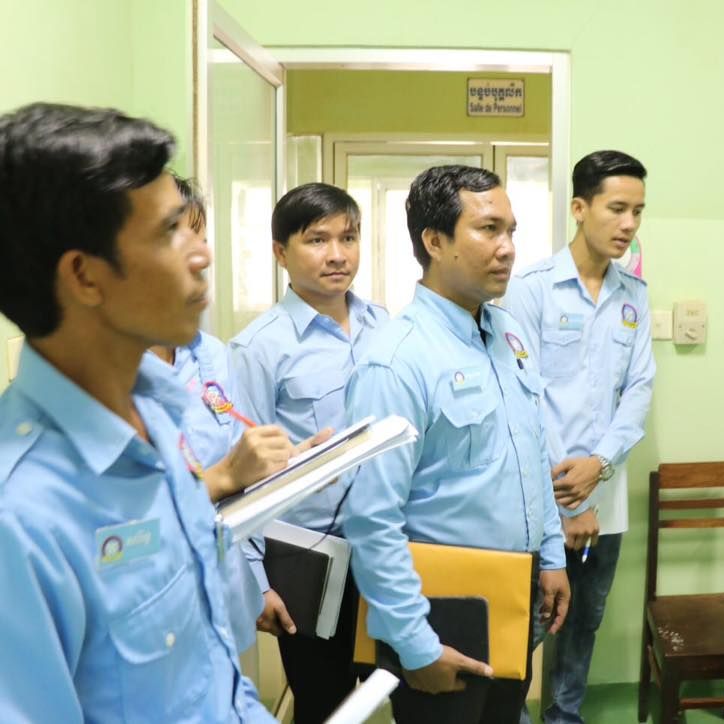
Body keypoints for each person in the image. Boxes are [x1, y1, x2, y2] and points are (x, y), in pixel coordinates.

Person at [0, 102, 272, 722]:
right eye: (170, 231)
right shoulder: (21, 519)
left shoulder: (158, 414)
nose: (202, 255)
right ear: (85, 277)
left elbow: (211, 672)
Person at [342, 164, 571, 724]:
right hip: (436, 614)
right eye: (488, 229)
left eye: (511, 231)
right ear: (434, 241)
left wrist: (552, 555)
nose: (507, 248)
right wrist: (415, 645)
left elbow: (531, 455)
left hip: (511, 600)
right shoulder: (395, 360)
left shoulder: (509, 335)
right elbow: (371, 519)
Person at [505, 149, 655, 724]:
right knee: (529, 624)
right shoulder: (531, 289)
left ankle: (563, 718)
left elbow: (638, 389)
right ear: (578, 208)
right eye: (617, 208)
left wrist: (600, 464)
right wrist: (567, 501)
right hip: (544, 503)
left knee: (584, 622)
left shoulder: (633, 295)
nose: (628, 224)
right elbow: (523, 397)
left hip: (605, 499)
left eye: (638, 212)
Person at [229, 182, 388, 720]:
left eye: (349, 237)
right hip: (311, 559)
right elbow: (243, 482)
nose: (338, 254)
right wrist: (256, 583)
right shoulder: (258, 348)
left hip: (387, 547)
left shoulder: (385, 326)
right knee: (325, 704)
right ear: (281, 252)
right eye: (318, 240)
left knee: (398, 691)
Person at [149, 176, 323, 656]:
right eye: (179, 238)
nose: (203, 256)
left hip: (220, 590)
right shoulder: (105, 381)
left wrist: (290, 467)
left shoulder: (209, 355)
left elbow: (238, 477)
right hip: (156, 606)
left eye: (202, 238)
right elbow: (124, 520)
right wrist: (223, 477)